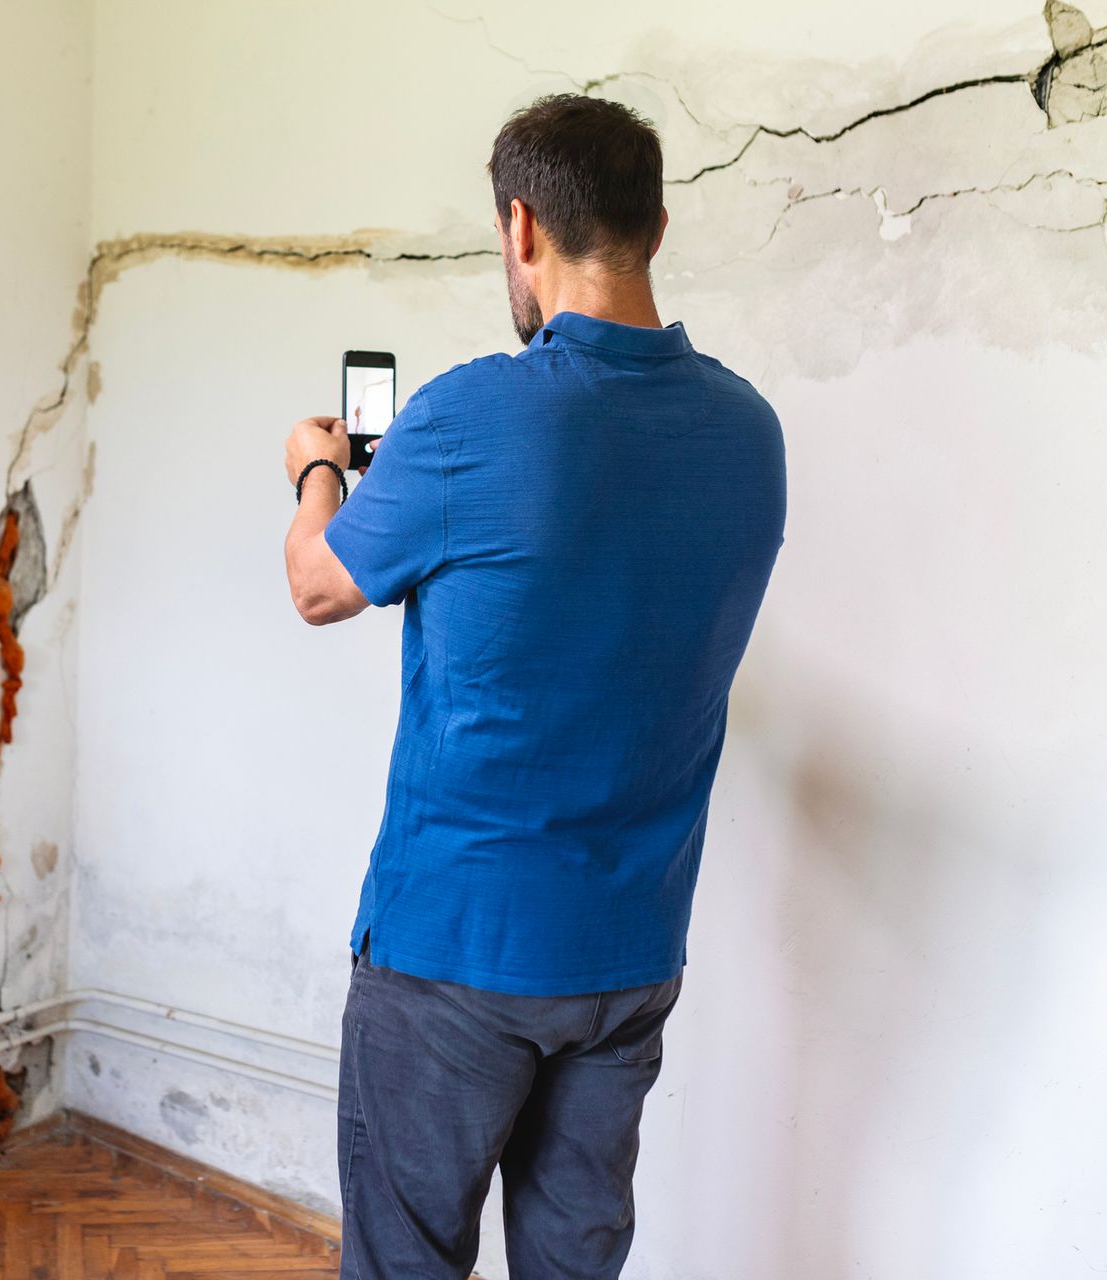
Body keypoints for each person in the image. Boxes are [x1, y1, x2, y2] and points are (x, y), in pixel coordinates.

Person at [280, 94, 787, 1279]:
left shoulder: (468, 416)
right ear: (657, 227)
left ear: (520, 227)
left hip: (455, 949)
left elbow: (318, 586)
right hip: (630, 951)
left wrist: (317, 469)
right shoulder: (750, 433)